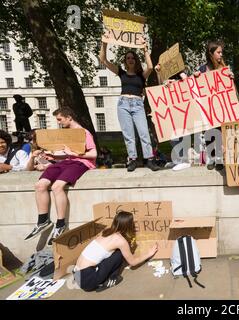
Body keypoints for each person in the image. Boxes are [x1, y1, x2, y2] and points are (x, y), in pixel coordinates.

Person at [24, 108, 97, 246]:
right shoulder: (66, 133)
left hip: (81, 163)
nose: (59, 122)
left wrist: (74, 154)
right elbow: (68, 154)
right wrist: (54, 157)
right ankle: (43, 220)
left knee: (57, 187)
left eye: (60, 119)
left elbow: (94, 154)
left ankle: (60, 224)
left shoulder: (84, 133)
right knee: (40, 185)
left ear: (69, 117)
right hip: (66, 161)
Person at [99, 36, 160, 172]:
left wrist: (145, 49)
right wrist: (104, 43)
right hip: (123, 104)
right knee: (129, 134)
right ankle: (132, 159)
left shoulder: (141, 75)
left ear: (136, 60)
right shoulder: (121, 73)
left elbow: (150, 66)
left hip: (138, 104)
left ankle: (149, 159)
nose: (130, 60)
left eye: (132, 58)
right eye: (128, 58)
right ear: (125, 61)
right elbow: (103, 60)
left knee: (144, 132)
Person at [73, 211, 158, 292]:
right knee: (119, 254)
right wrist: (149, 253)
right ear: (128, 225)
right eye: (132, 223)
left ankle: (101, 277)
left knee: (115, 253)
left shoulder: (106, 232)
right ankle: (111, 280)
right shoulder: (120, 240)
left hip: (77, 275)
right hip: (87, 281)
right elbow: (133, 263)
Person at [194, 40, 233, 171]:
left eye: (221, 52)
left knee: (220, 133)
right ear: (211, 53)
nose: (221, 55)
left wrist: (230, 78)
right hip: (207, 107)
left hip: (221, 106)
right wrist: (196, 77)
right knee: (209, 133)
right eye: (218, 52)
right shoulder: (203, 69)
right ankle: (211, 158)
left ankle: (219, 159)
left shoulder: (224, 68)